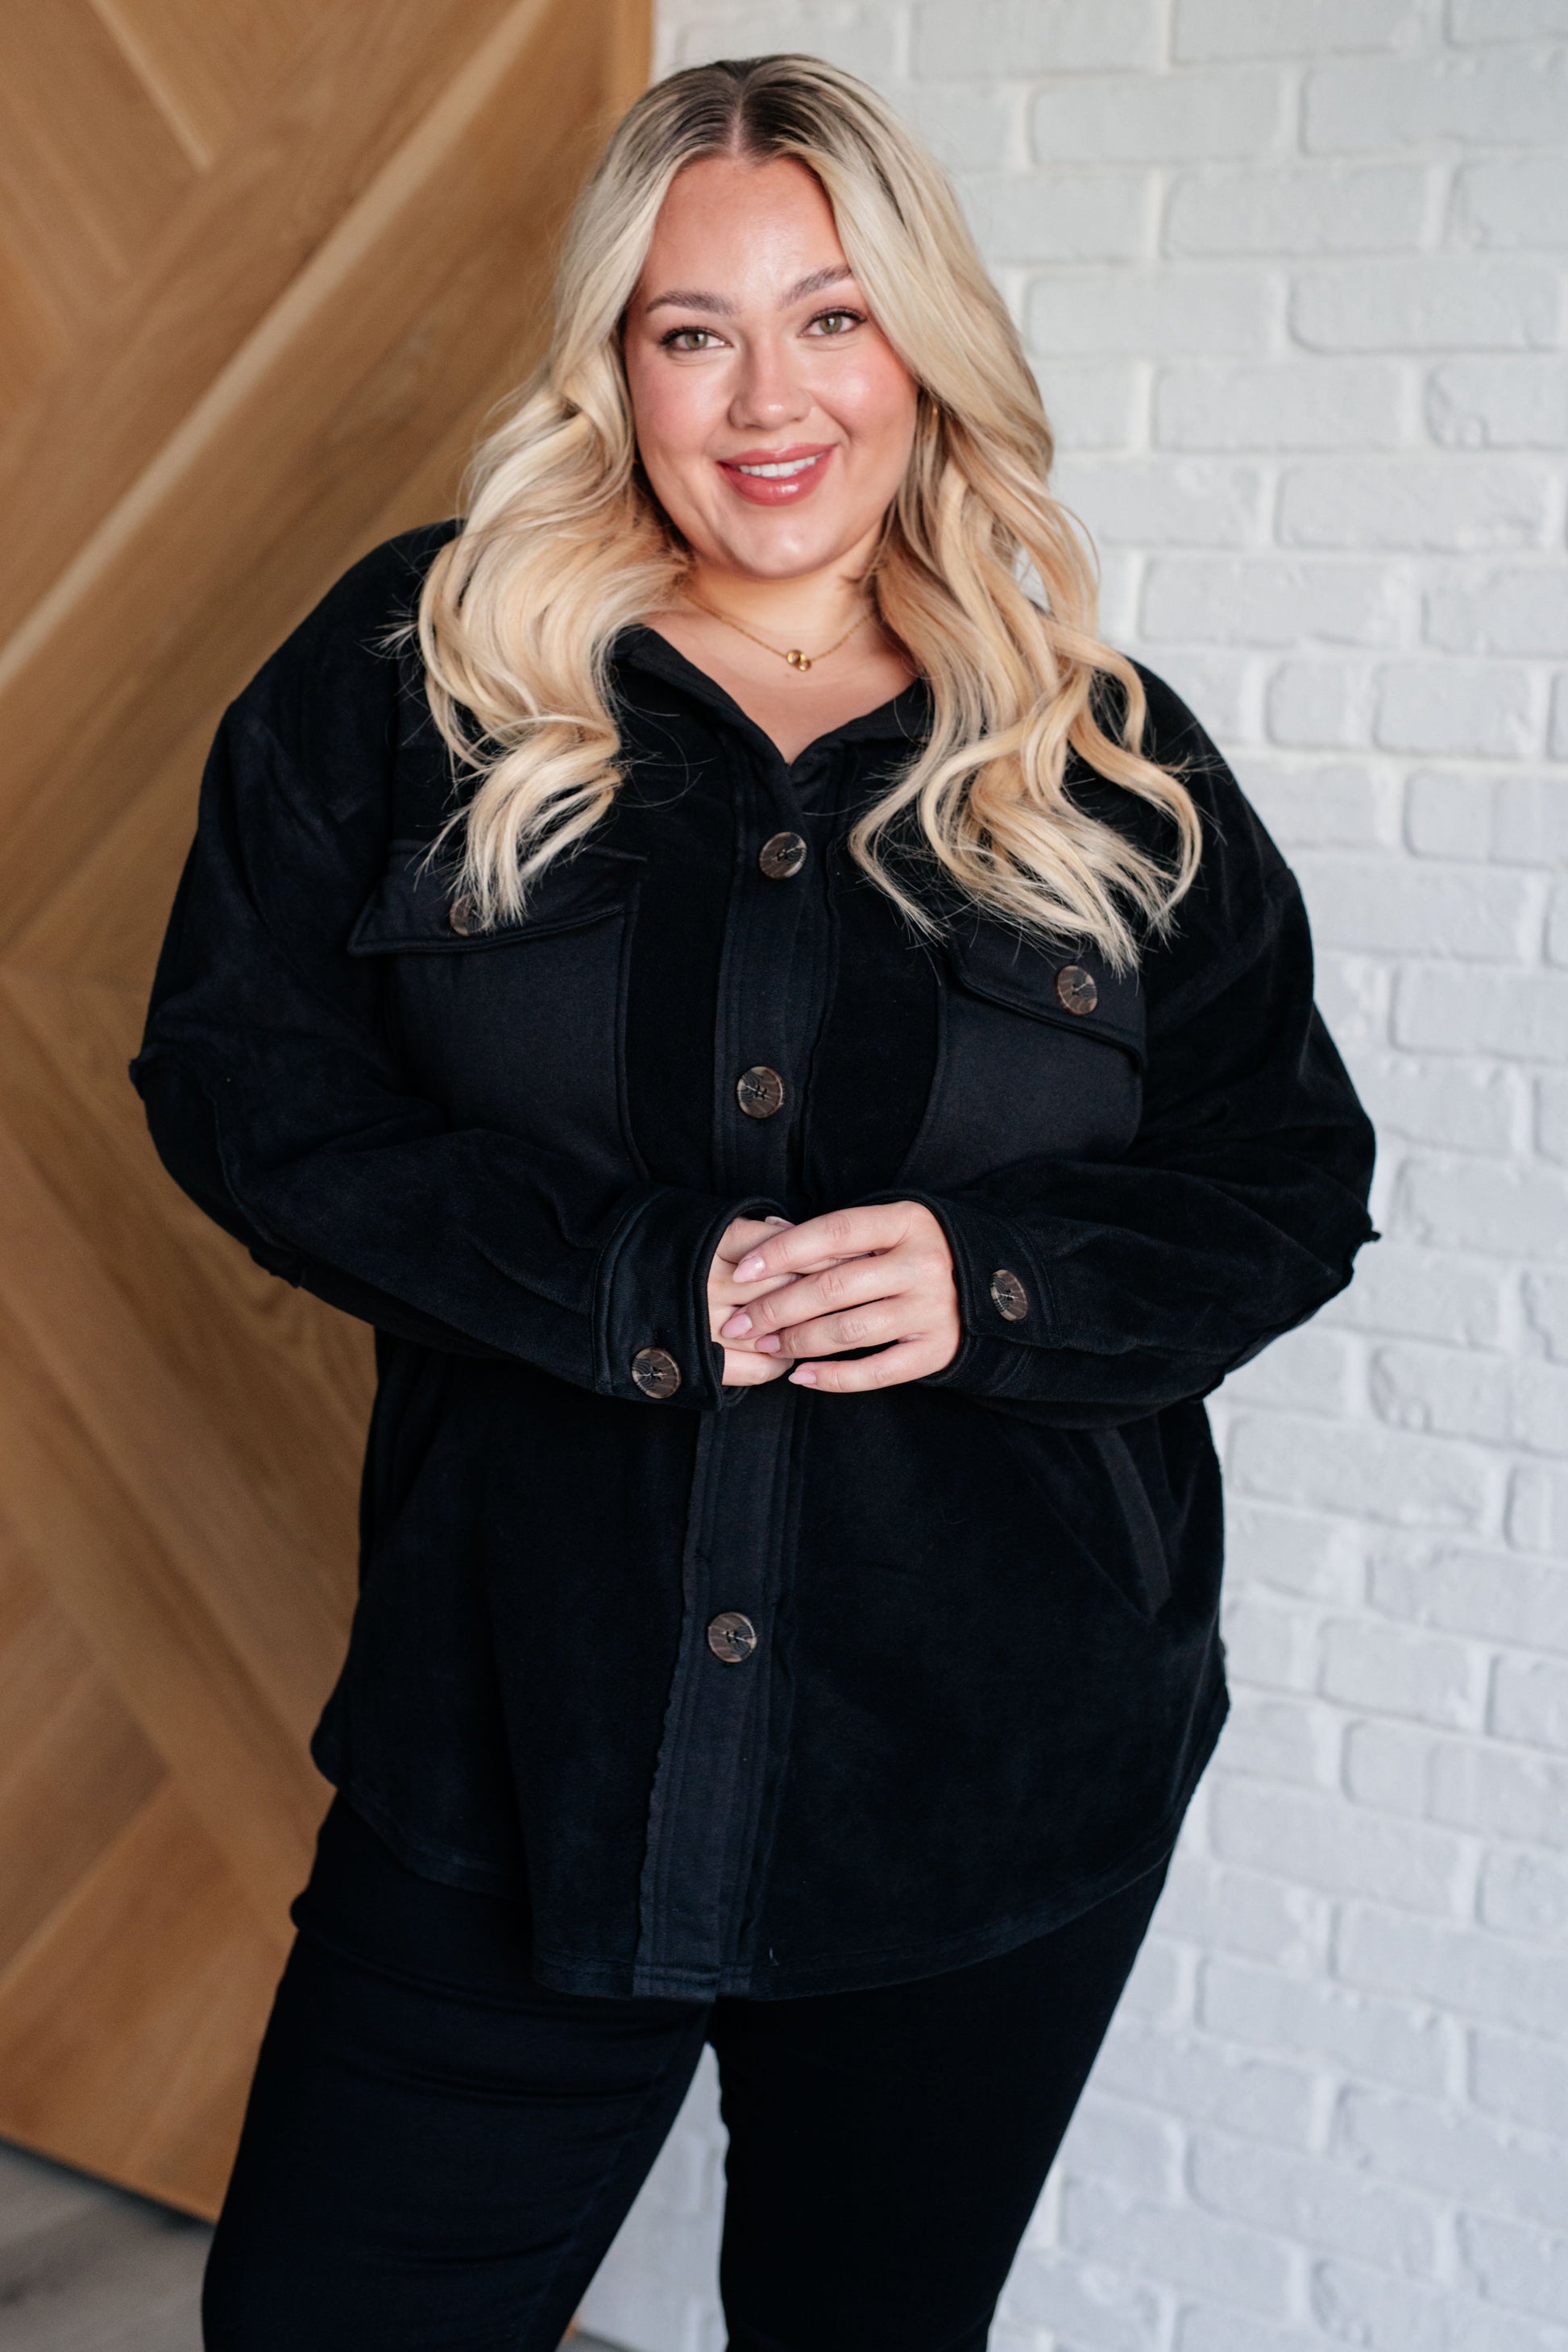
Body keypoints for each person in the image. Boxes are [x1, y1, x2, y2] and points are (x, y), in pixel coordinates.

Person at [132, 52, 1376, 2352]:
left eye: (833, 317)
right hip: (512, 1750)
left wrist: (992, 1283)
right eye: (691, 330)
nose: (767, 398)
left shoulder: (1103, 757)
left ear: (925, 346)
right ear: (615, 366)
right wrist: (619, 1277)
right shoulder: (421, 675)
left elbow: (1289, 1176)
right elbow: (241, 1084)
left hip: (987, 1774)